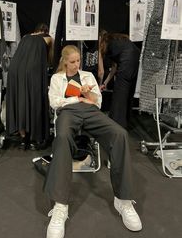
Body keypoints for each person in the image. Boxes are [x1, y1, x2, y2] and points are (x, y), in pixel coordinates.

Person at [44, 45, 142, 238]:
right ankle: (60, 205)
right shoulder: (57, 78)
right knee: (62, 138)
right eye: (72, 61)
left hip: (90, 112)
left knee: (120, 134)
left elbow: (96, 103)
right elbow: (55, 103)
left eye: (78, 61)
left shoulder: (88, 75)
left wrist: (87, 94)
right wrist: (76, 98)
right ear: (64, 61)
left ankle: (123, 199)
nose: (76, 64)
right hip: (68, 112)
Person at [6, 23, 54, 150]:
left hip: (15, 71)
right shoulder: (48, 38)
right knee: (35, 101)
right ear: (46, 31)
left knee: (21, 101)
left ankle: (23, 138)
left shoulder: (25, 37)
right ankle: (36, 138)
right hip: (33, 71)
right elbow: (50, 60)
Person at [98, 30, 140, 129]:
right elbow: (114, 68)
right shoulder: (116, 40)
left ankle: (117, 125)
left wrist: (99, 85)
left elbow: (101, 71)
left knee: (119, 95)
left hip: (127, 61)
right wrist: (105, 83)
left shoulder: (106, 45)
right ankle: (125, 122)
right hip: (136, 59)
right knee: (128, 93)